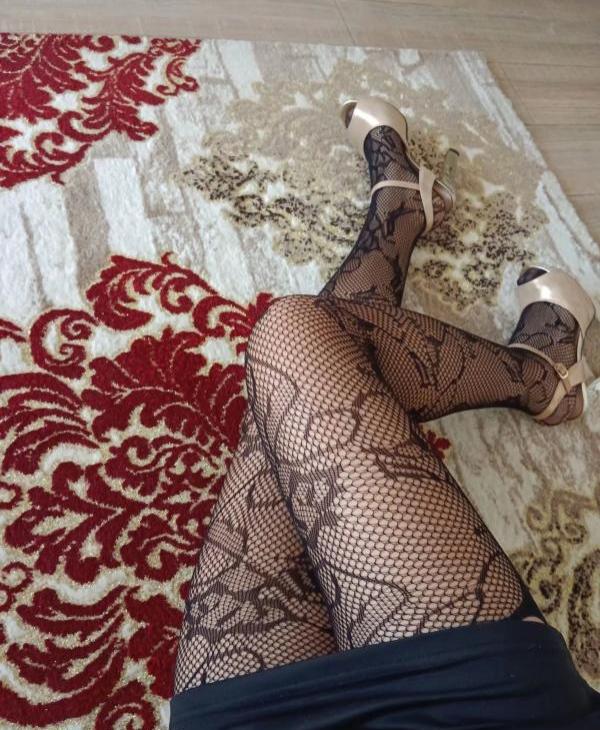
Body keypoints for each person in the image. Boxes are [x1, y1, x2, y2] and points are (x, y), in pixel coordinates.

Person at [169, 97, 600, 729]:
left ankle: (403, 212)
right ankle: (539, 375)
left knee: (286, 407)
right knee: (295, 337)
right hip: (458, 713)